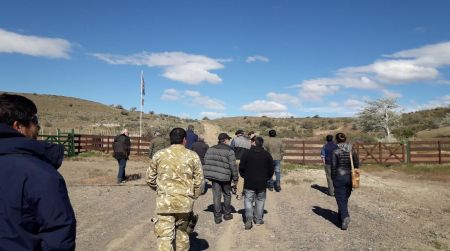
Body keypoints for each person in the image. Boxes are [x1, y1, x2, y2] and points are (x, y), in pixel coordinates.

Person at [0, 93, 76, 250]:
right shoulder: (41, 174)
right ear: (18, 126)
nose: (38, 127)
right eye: (34, 120)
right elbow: (58, 235)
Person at [146, 127, 204, 251]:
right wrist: (192, 195)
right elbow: (199, 182)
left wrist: (161, 190)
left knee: (165, 238)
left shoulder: (159, 155)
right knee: (182, 235)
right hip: (184, 203)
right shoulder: (193, 156)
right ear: (185, 140)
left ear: (170, 139)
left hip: (164, 203)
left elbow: (149, 179)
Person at [239, 137, 274, 230]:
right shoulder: (266, 154)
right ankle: (258, 220)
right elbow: (271, 168)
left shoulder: (246, 153)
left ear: (254, 143)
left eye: (252, 141)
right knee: (260, 200)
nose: (250, 142)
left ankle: (249, 216)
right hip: (262, 182)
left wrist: (244, 176)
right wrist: (267, 178)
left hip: (249, 182)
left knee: (248, 199)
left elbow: (241, 167)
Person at [203, 133, 239, 224]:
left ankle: (217, 217)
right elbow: (233, 166)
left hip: (214, 177)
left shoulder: (211, 149)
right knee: (227, 194)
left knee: (216, 195)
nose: (229, 141)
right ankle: (227, 214)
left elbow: (206, 161)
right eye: (228, 140)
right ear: (226, 140)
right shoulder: (230, 151)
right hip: (226, 177)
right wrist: (235, 178)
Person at [331, 132, 360, 230]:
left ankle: (345, 217)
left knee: (340, 198)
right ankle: (341, 216)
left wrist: (333, 179)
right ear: (345, 139)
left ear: (336, 140)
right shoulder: (352, 150)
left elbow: (333, 168)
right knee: (344, 198)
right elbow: (357, 164)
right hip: (350, 177)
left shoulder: (335, 151)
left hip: (339, 177)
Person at [230, 129, 251, 200]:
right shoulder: (248, 142)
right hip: (244, 161)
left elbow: (231, 150)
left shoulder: (235, 140)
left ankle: (235, 188)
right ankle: (239, 194)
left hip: (235, 160)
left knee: (235, 175)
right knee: (242, 177)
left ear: (237, 134)